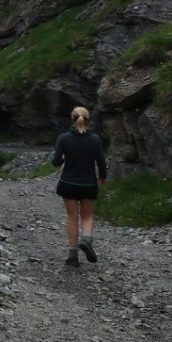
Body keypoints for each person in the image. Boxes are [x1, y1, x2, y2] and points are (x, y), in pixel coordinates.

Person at [52, 106, 107, 267]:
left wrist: (63, 158)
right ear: (88, 120)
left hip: (68, 183)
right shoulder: (95, 140)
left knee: (72, 217)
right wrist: (102, 177)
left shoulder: (63, 138)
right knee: (87, 216)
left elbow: (55, 162)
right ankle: (87, 239)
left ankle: (72, 255)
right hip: (88, 184)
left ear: (72, 119)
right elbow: (101, 162)